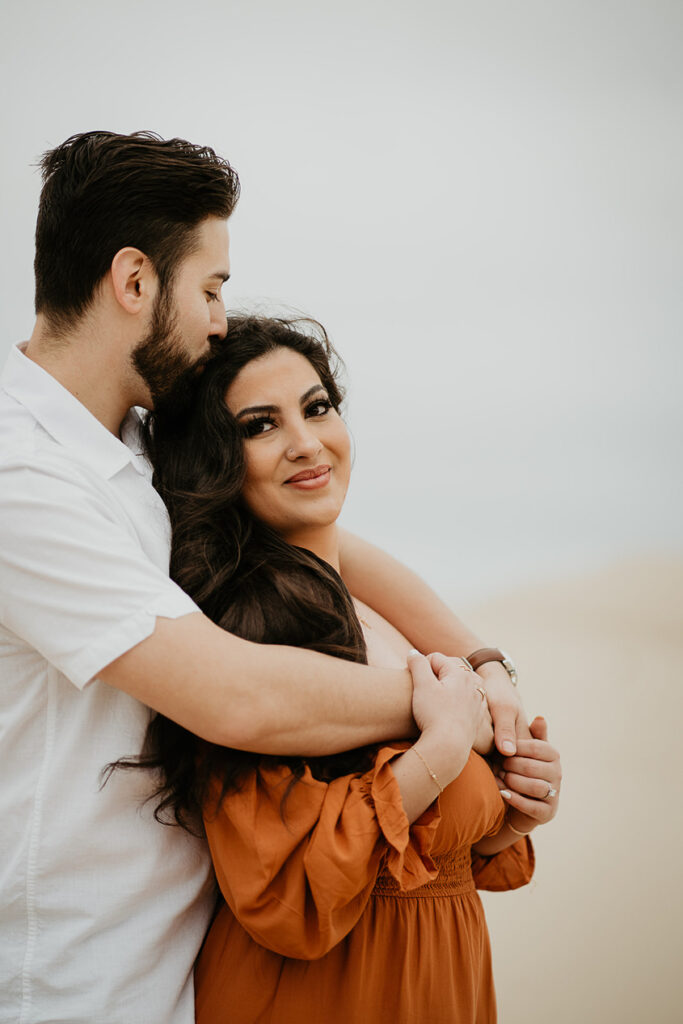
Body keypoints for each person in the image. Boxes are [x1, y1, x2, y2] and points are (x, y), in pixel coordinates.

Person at [0, 130, 528, 1024]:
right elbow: (233, 698)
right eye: (210, 287)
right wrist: (441, 707)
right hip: (70, 985)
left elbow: (336, 547)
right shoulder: (21, 475)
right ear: (133, 282)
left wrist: (478, 662)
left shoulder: (126, 444)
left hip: (185, 974)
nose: (216, 318)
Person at [132, 315, 562, 1023]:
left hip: (440, 981)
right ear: (216, 459)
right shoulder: (254, 631)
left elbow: (423, 848)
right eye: (258, 426)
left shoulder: (380, 611)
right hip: (325, 992)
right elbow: (283, 886)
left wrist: (515, 813)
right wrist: (445, 749)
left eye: (317, 406)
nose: (306, 443)